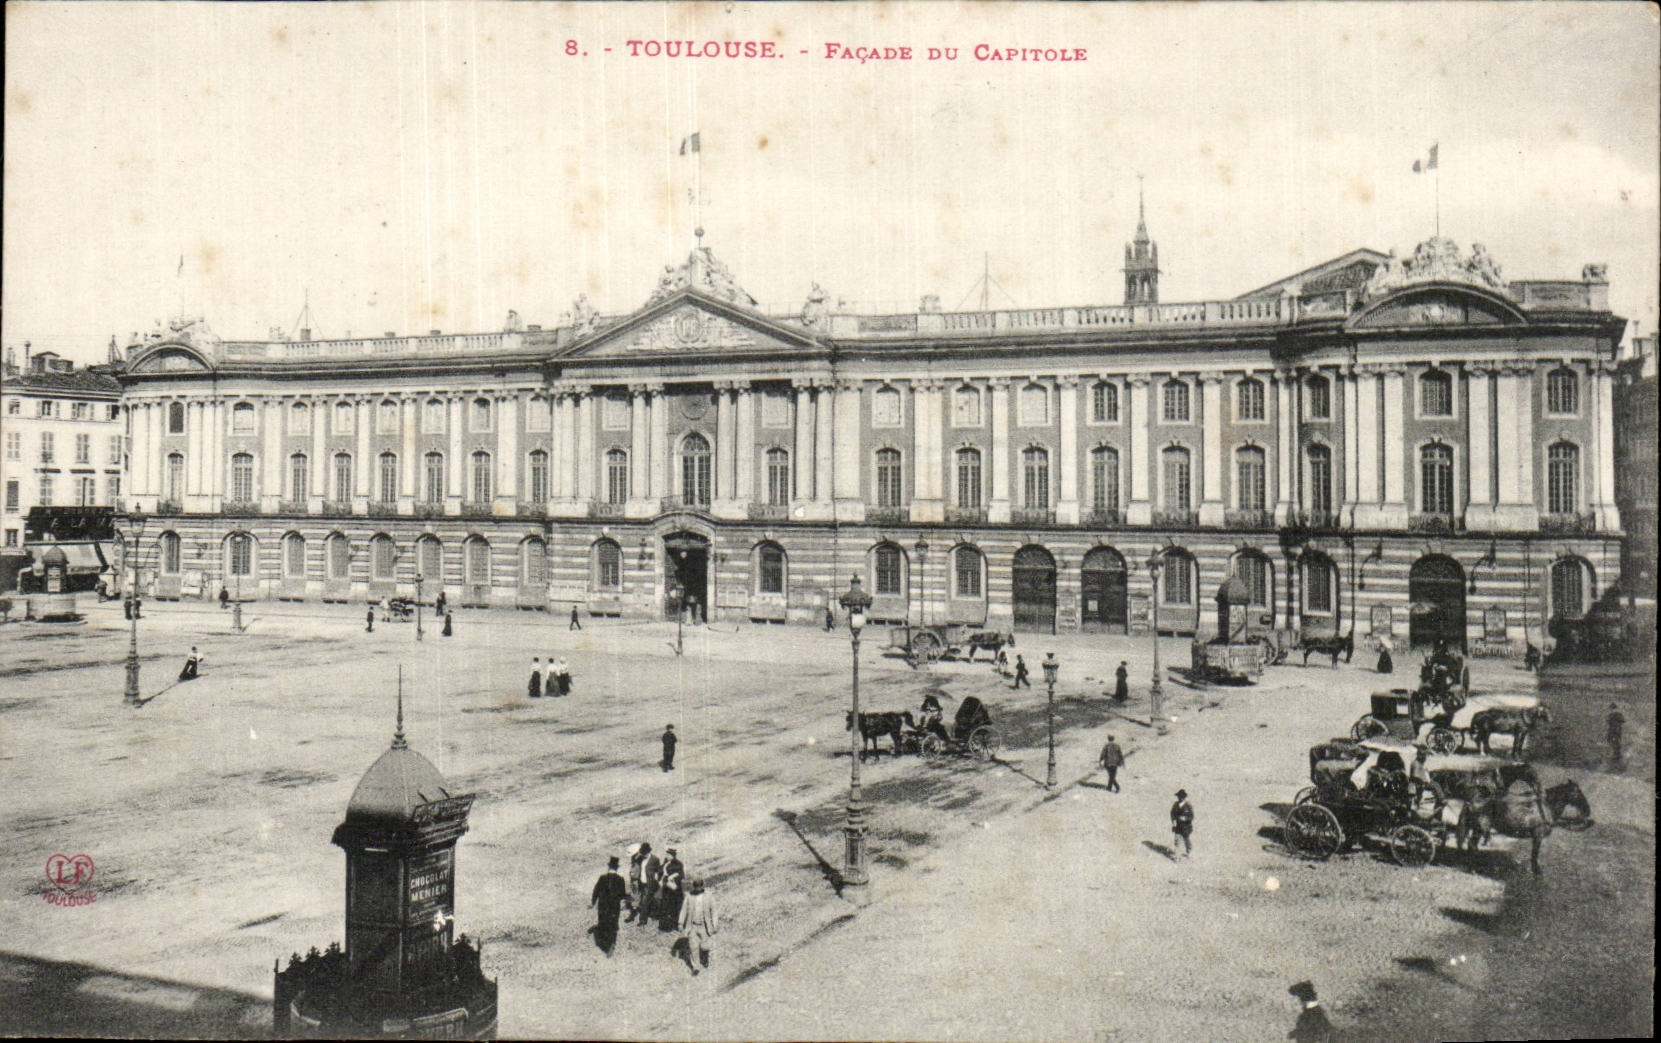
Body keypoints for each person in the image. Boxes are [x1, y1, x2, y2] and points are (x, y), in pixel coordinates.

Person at [589, 855, 629, 956]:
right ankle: (612, 944)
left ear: (609, 867)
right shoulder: (620, 879)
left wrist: (593, 903)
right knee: (613, 924)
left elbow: (596, 891)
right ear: (617, 868)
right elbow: (622, 894)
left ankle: (603, 946)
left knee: (603, 923)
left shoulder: (602, 878)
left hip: (603, 905)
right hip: (614, 906)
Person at [678, 877, 718, 975]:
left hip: (705, 926)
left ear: (702, 886)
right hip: (692, 926)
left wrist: (715, 925)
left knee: (705, 946)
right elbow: (684, 910)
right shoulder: (689, 896)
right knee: (693, 947)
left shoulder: (709, 896)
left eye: (700, 887)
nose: (698, 889)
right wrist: (680, 923)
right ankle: (696, 967)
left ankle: (704, 956)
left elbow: (714, 910)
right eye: (696, 887)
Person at [657, 848, 685, 931]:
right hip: (667, 889)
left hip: (675, 890)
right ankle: (666, 926)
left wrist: (673, 876)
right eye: (667, 854)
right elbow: (660, 871)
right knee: (666, 907)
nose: (667, 856)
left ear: (673, 855)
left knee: (676, 907)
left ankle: (676, 924)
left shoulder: (678, 864)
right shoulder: (665, 863)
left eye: (668, 855)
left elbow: (681, 875)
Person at [637, 844, 662, 928]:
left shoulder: (655, 859)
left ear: (648, 852)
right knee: (646, 900)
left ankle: (643, 920)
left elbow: (659, 870)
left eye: (645, 853)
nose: (644, 855)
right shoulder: (641, 859)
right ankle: (653, 915)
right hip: (642, 882)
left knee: (645, 900)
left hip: (650, 883)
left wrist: (657, 877)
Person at [624, 843, 647, 922]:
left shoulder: (641, 859)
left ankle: (637, 913)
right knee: (635, 895)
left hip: (638, 880)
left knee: (638, 895)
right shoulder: (635, 859)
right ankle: (634, 911)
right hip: (634, 880)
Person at [1170, 789, 1194, 857]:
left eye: (1182, 797)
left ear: (1184, 797)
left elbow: (1191, 816)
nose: (1180, 798)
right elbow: (1172, 813)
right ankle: (1177, 856)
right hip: (1177, 826)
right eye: (1179, 797)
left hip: (1186, 827)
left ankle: (1189, 852)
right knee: (1177, 841)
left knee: (1186, 840)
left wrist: (1185, 818)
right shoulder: (1175, 804)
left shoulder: (1188, 806)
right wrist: (1173, 821)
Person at [1606, 702, 1626, 768]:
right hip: (1618, 730)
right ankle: (1617, 754)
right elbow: (1623, 721)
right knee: (1617, 741)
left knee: (1611, 741)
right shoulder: (1619, 714)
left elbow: (1608, 721)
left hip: (1612, 730)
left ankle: (1616, 754)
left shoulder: (1611, 715)